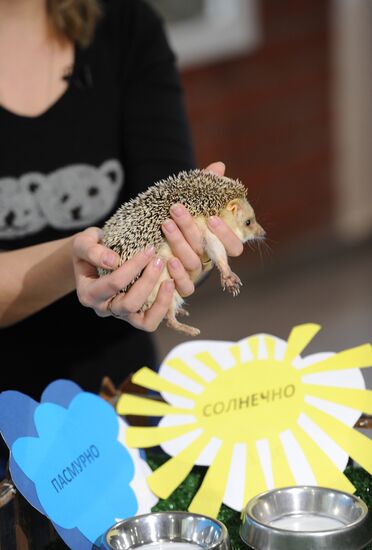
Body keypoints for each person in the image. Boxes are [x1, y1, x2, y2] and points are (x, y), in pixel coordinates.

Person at [0, 0, 243, 401]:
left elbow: (178, 237)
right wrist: (84, 259)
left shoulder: (127, 26)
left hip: (122, 391)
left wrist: (193, 254)